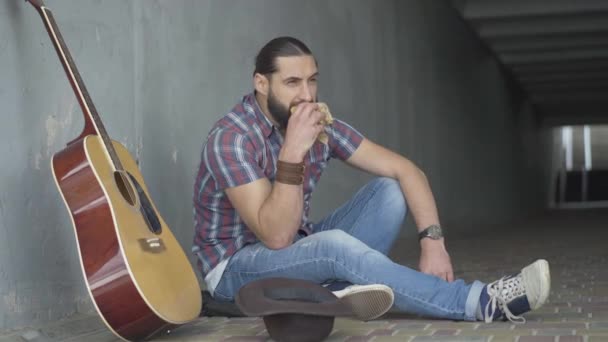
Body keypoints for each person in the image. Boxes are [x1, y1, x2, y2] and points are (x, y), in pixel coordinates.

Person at [192, 36, 550, 323]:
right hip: (234, 272)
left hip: (294, 248)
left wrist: (432, 242)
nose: (306, 95)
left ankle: (333, 287)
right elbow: (275, 235)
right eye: (292, 82)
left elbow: (407, 170)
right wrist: (291, 153)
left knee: (391, 191)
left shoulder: (320, 124)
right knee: (333, 246)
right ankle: (478, 302)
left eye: (312, 80)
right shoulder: (232, 139)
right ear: (261, 83)